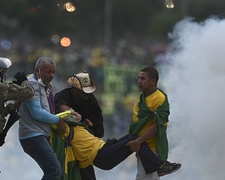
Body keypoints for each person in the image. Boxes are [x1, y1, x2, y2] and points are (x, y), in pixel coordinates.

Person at [51, 110, 181, 179]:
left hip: (104, 149)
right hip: (101, 157)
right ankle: (159, 166)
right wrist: (69, 113)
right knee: (136, 139)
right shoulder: (67, 131)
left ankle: (156, 166)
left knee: (134, 135)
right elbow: (54, 121)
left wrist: (78, 117)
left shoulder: (80, 127)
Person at [18, 56, 66, 180]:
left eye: (53, 72)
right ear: (37, 71)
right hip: (33, 135)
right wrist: (57, 120)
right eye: (48, 72)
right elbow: (36, 112)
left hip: (38, 135)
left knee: (54, 171)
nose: (51, 76)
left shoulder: (43, 86)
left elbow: (48, 109)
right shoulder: (32, 84)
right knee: (54, 170)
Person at [126, 66, 177, 179]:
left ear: (153, 81)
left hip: (151, 149)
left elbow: (156, 127)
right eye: (139, 78)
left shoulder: (159, 98)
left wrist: (138, 141)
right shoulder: (142, 98)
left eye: (143, 78)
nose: (139, 81)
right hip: (142, 147)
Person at [54, 71, 103, 180]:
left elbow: (99, 129)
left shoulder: (91, 101)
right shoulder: (61, 96)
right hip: (64, 147)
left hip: (83, 149)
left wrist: (88, 125)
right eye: (84, 91)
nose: (87, 94)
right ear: (75, 89)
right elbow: (54, 115)